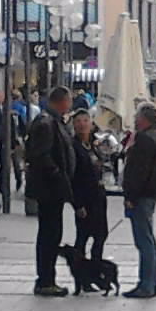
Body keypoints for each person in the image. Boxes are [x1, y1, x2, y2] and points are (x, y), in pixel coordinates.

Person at [26, 86, 76, 297]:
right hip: (49, 189)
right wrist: (57, 175)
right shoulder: (47, 123)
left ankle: (47, 278)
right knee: (49, 234)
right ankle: (45, 280)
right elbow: (41, 155)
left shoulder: (51, 121)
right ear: (62, 102)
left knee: (51, 233)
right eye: (69, 101)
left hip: (51, 188)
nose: (71, 105)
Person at [121, 103, 156, 298]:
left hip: (141, 196)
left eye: (136, 116)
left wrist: (130, 196)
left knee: (144, 240)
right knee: (148, 239)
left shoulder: (144, 139)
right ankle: (151, 282)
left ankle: (146, 284)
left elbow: (138, 172)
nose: (134, 119)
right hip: (151, 194)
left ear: (144, 119)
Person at [70, 109, 108, 262]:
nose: (82, 124)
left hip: (98, 196)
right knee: (83, 235)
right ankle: (81, 273)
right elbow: (73, 177)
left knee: (101, 234)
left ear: (91, 124)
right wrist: (77, 204)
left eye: (85, 121)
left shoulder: (93, 144)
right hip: (84, 197)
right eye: (78, 121)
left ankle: (95, 267)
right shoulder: (73, 147)